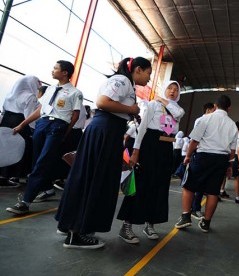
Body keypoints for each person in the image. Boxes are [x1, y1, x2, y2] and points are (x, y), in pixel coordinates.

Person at [55, 57, 150, 249]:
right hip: (106, 131)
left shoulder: (125, 83)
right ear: (138, 69)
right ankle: (77, 234)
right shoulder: (122, 81)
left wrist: (128, 112)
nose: (149, 77)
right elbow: (103, 102)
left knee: (87, 176)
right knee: (94, 179)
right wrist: (131, 108)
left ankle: (71, 224)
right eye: (148, 72)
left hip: (107, 130)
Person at [6, 61, 83, 214]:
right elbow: (40, 109)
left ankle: (25, 202)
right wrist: (22, 124)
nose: (52, 70)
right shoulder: (50, 89)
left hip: (58, 126)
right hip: (42, 124)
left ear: (65, 72)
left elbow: (75, 116)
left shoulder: (76, 93)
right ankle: (47, 188)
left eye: (55, 68)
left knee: (42, 162)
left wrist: (64, 133)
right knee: (37, 162)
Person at [117, 80, 185, 244]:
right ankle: (126, 226)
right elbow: (142, 130)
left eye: (176, 90)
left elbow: (179, 112)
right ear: (164, 89)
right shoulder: (152, 105)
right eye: (169, 88)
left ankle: (150, 224)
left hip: (166, 147)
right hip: (149, 145)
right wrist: (136, 151)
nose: (172, 91)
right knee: (141, 185)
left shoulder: (175, 109)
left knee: (159, 186)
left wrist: (164, 101)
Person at [174, 95, 238, 233]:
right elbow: (232, 150)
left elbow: (194, 140)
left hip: (203, 156)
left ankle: (185, 217)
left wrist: (188, 156)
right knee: (213, 192)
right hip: (221, 159)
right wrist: (229, 166)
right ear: (229, 108)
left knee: (189, 186)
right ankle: (206, 223)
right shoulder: (233, 125)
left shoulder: (206, 118)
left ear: (215, 106)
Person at [0, 75, 41, 188]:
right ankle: (14, 176)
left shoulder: (10, 94)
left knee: (4, 149)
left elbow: (3, 110)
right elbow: (29, 115)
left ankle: (3, 176)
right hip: (20, 123)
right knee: (18, 150)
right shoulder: (30, 96)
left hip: (6, 121)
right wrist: (33, 129)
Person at [191, 102, 215, 220]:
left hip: (202, 153)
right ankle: (194, 208)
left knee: (200, 182)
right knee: (198, 182)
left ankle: (194, 208)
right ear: (208, 110)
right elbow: (195, 138)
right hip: (200, 153)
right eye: (213, 110)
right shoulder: (202, 120)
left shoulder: (207, 121)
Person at [221, 121, 239, 203]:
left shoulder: (229, 135)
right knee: (236, 178)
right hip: (235, 157)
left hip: (226, 155)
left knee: (223, 175)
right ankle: (238, 197)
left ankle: (221, 191)